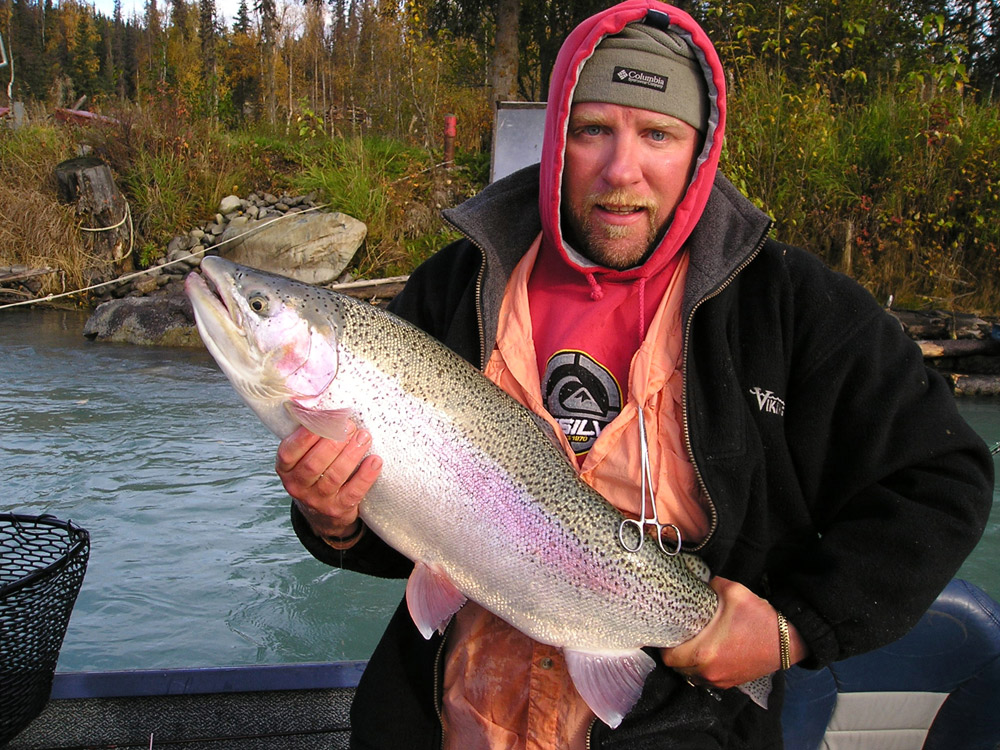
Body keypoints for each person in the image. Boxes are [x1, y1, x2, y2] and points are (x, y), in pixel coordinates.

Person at [275, 1, 994, 747]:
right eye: (594, 130)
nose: (623, 170)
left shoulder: (797, 311)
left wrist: (791, 631)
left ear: (700, 151)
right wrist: (335, 520)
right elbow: (408, 532)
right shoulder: (456, 287)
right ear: (557, 139)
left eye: (658, 133)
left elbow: (941, 481)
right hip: (438, 723)